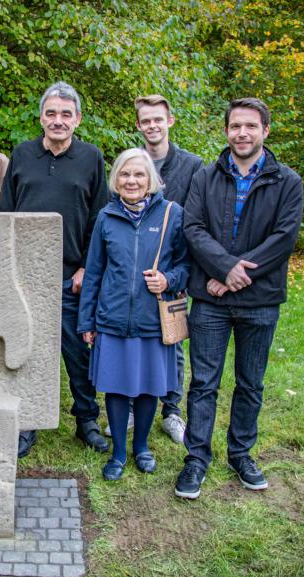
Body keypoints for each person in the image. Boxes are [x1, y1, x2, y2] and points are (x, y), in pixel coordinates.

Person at [175, 98, 303, 499]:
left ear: (266, 130)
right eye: (235, 126)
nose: (242, 133)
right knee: (203, 384)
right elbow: (193, 228)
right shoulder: (206, 176)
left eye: (250, 126)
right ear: (226, 131)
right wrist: (222, 269)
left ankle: (241, 453)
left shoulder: (287, 181)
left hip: (260, 300)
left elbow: (283, 239)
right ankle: (196, 458)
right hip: (210, 303)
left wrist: (232, 276)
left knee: (250, 383)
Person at [0, 81, 110, 458]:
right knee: (25, 351)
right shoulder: (22, 154)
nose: (58, 120)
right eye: (51, 113)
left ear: (77, 119)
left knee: (77, 351)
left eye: (66, 114)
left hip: (71, 276)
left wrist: (85, 269)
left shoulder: (91, 158)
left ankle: (86, 421)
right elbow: (5, 214)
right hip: (25, 276)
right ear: (41, 117)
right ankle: (26, 423)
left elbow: (100, 220)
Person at [79, 148, 189, 480]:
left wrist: (168, 279)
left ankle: (141, 446)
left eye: (139, 174)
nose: (131, 181)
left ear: (151, 180)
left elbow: (186, 266)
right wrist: (87, 320)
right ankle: (118, 454)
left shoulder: (172, 214)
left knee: (147, 387)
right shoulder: (106, 217)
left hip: (152, 319)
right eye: (125, 174)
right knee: (116, 386)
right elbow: (94, 271)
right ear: (116, 179)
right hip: (112, 317)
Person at [103, 96, 204, 443]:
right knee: (135, 342)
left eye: (158, 119)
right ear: (138, 125)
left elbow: (196, 219)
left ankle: (171, 409)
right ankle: (129, 407)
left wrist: (177, 274)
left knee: (171, 338)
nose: (152, 125)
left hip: (174, 266)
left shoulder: (191, 166)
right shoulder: (132, 164)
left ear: (170, 121)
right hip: (132, 271)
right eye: (146, 120)